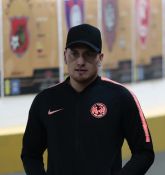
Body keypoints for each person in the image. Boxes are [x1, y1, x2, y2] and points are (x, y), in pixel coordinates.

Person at [21, 24, 154, 175]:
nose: (80, 61)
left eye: (89, 54)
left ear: (100, 58)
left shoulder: (121, 97)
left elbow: (144, 153)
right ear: (65, 55)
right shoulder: (45, 100)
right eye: (74, 54)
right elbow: (30, 155)